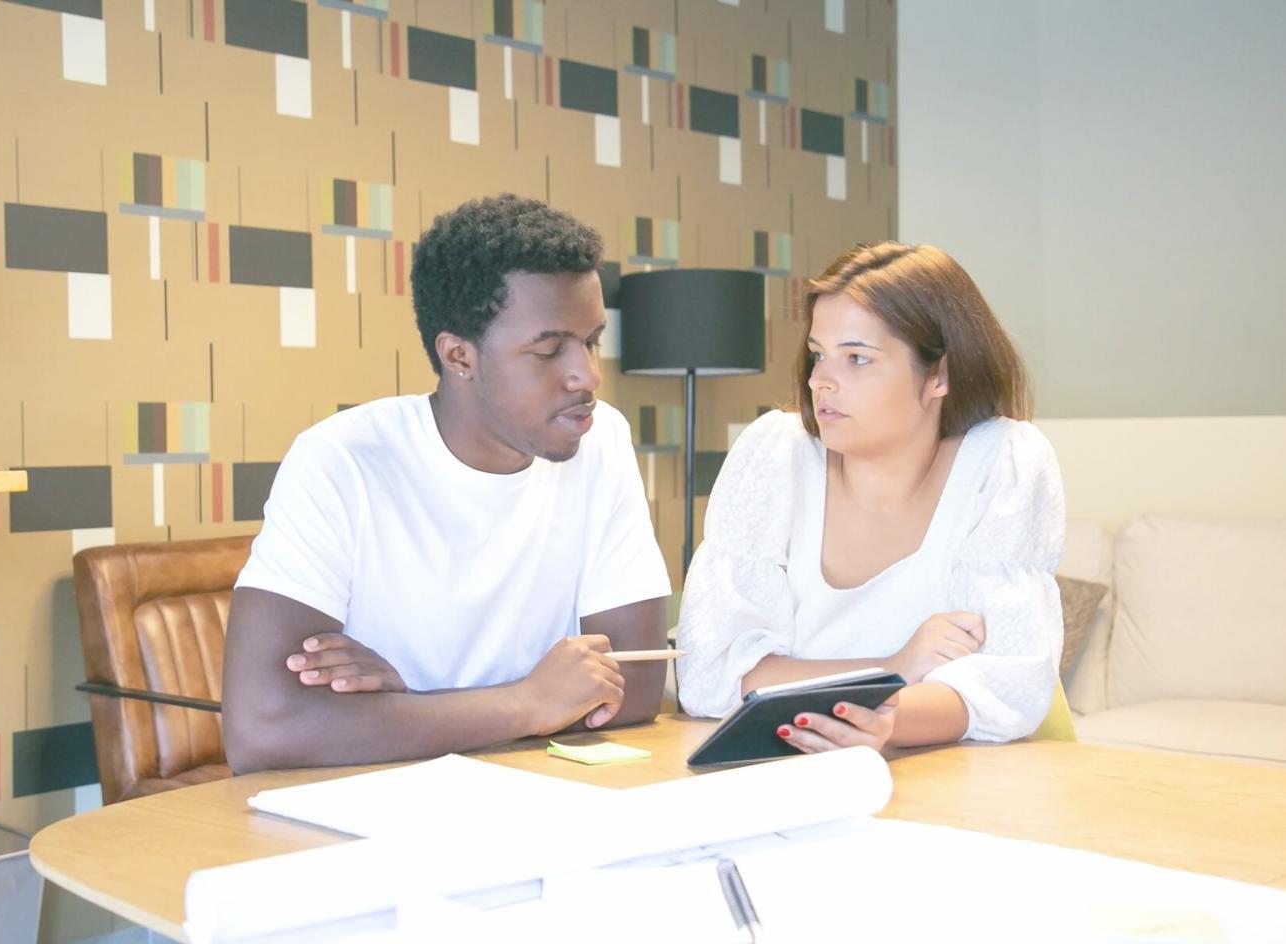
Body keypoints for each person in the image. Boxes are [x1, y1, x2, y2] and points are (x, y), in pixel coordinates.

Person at [221, 194, 672, 774]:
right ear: (460, 355)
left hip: (540, 794)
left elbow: (633, 684)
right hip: (376, 814)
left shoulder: (602, 439)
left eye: (591, 341)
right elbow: (264, 730)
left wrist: (408, 705)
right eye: (548, 349)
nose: (587, 374)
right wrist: (528, 701)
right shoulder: (342, 461)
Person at [676, 242, 1065, 754]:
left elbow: (1001, 690)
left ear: (939, 375)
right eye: (818, 355)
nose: (821, 381)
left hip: (944, 776)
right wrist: (894, 670)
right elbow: (712, 677)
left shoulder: (1003, 463)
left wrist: (885, 723)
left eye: (857, 358)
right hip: (779, 769)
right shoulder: (776, 455)